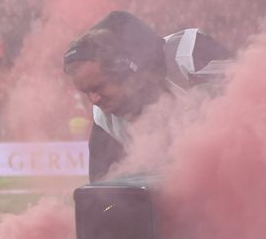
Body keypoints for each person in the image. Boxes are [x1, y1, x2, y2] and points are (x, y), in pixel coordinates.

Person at [63, 10, 233, 182]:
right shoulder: (105, 120)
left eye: (98, 87)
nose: (94, 100)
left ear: (125, 70)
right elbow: (103, 195)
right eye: (86, 93)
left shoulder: (188, 55)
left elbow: (252, 104)